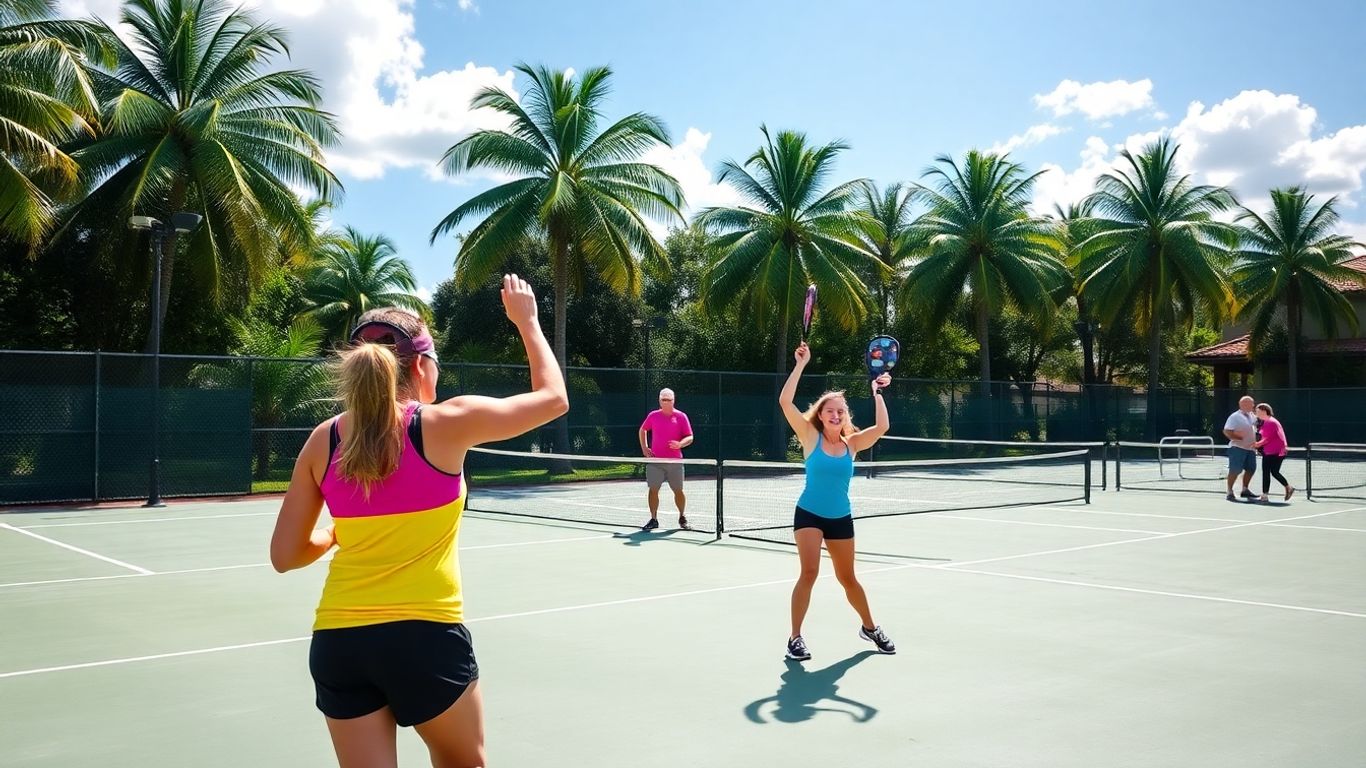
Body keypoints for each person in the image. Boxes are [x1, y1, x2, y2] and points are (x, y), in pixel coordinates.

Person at [270, 275, 568, 768]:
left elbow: (285, 557)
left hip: (339, 644)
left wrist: (334, 534)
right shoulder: (445, 423)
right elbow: (554, 398)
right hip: (424, 640)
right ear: (423, 366)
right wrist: (528, 322)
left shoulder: (323, 440)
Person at [777, 341, 896, 661]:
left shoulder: (852, 444)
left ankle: (870, 627)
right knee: (809, 572)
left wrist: (877, 392)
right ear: (821, 414)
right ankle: (795, 638)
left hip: (840, 517)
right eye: (829, 409)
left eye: (840, 411)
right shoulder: (808, 436)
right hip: (809, 515)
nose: (835, 414)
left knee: (848, 578)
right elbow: (785, 401)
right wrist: (801, 364)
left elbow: (882, 427)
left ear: (845, 417)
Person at [638, 387, 694, 530]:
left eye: (669, 400)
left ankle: (682, 516)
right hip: (655, 461)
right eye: (663, 400)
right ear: (660, 401)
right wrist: (644, 448)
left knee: (678, 490)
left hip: (675, 462)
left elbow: (690, 436)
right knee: (653, 489)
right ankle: (653, 519)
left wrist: (680, 443)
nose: (666, 402)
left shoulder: (681, 417)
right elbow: (643, 430)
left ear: (673, 401)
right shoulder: (653, 416)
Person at [1253, 403, 1295, 502]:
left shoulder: (1269, 422)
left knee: (1267, 472)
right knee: (1274, 472)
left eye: (1257, 411)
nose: (1256, 413)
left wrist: (1257, 445)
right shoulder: (1269, 421)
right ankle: (1289, 487)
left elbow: (1267, 438)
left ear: (1264, 411)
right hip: (1278, 451)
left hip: (1272, 452)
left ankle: (1264, 495)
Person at [1222, 395, 1259, 502]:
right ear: (1242, 404)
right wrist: (1239, 437)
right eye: (1250, 403)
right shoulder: (1234, 416)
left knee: (1251, 469)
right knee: (1235, 470)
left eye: (1252, 403)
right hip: (1237, 448)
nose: (1252, 405)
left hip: (1250, 448)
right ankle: (1229, 491)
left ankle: (1245, 490)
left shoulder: (1252, 416)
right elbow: (1227, 431)